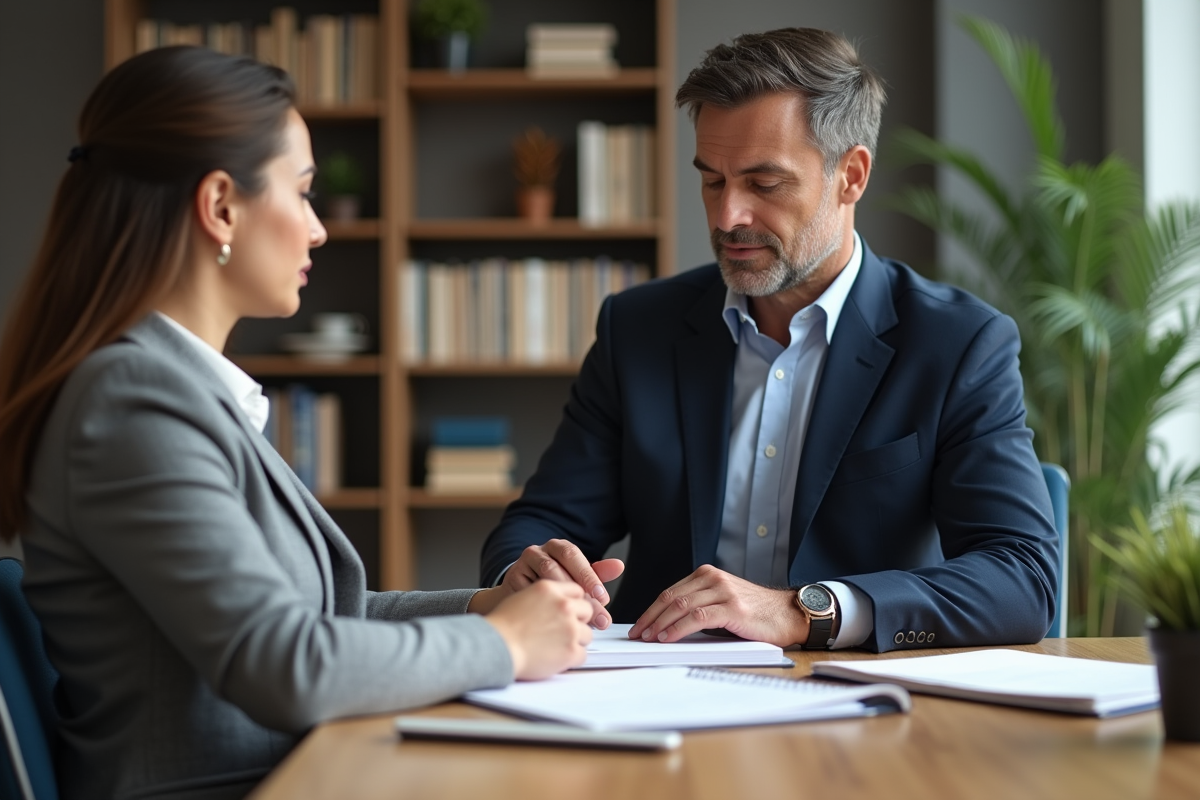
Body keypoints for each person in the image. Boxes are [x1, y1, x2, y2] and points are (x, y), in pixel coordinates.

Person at [0, 47, 594, 800]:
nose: (318, 230)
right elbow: (284, 665)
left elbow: (323, 618)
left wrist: (485, 606)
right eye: (303, 194)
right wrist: (504, 643)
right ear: (220, 206)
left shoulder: (172, 389)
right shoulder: (132, 402)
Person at [480, 27, 1059, 653]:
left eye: (764, 184)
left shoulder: (957, 343)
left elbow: (1022, 577)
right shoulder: (638, 328)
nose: (728, 217)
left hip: (857, 708)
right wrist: (526, 570)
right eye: (712, 181)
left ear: (851, 176)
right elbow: (540, 523)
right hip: (660, 693)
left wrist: (807, 610)